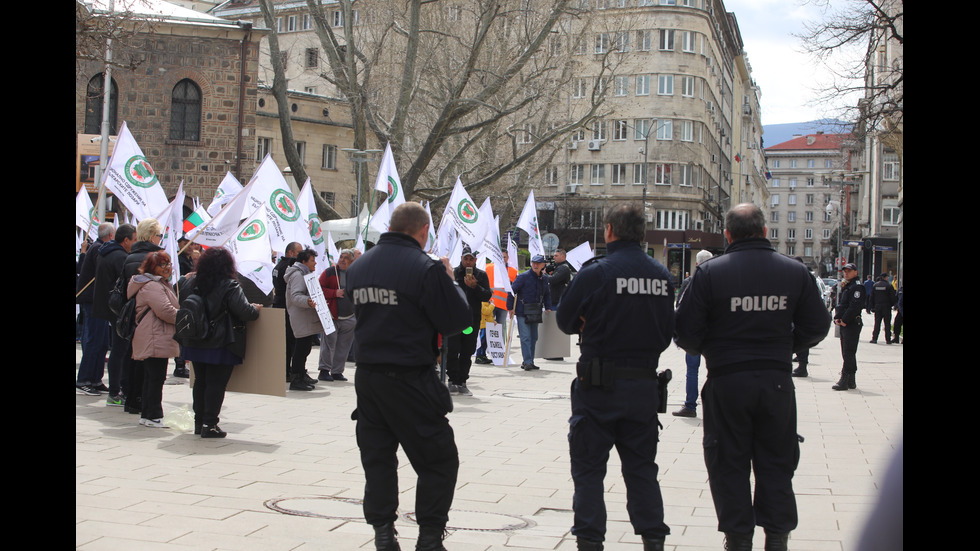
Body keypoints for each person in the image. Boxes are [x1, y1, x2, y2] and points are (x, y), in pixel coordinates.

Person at [674, 203, 831, 551]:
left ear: (728, 235)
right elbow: (818, 325)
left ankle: (738, 539)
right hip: (776, 382)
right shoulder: (794, 271)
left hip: (727, 381)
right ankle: (777, 539)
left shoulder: (710, 273)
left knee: (728, 463)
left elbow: (685, 332)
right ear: (764, 232)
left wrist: (714, 349)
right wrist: (787, 346)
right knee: (776, 462)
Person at [345, 202, 471, 551]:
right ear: (423, 230)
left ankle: (384, 534)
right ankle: (429, 538)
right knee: (439, 460)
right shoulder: (426, 268)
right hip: (411, 377)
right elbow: (457, 320)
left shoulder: (359, 266)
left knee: (379, 459)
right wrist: (450, 281)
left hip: (369, 378)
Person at [556, 203, 676, 551]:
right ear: (641, 234)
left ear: (609, 230)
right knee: (642, 470)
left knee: (590, 471)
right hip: (642, 387)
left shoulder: (597, 272)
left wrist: (586, 322)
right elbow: (668, 333)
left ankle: (590, 542)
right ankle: (654, 541)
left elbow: (565, 321)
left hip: (598, 388)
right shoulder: (661, 275)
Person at [177, 247, 261, 437]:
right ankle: (210, 424)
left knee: (200, 381)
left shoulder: (190, 282)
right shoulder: (230, 284)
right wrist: (255, 309)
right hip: (220, 341)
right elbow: (245, 312)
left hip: (195, 338)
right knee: (216, 383)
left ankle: (199, 423)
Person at [127, 251, 180, 428]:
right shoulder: (153, 286)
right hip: (154, 336)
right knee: (155, 377)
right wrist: (184, 317)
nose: (167, 268)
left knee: (152, 377)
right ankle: (153, 415)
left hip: (155, 335)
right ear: (152, 267)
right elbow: (165, 311)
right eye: (162, 265)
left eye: (168, 264)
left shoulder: (157, 284)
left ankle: (148, 414)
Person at [120, 218, 166, 415]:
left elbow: (123, 288)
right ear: (151, 235)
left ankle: (131, 398)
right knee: (151, 367)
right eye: (159, 235)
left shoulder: (129, 257)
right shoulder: (154, 257)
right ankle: (145, 405)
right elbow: (161, 290)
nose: (160, 238)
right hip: (150, 314)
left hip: (132, 314)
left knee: (133, 358)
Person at [92, 224, 137, 404]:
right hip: (118, 310)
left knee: (118, 350)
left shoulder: (106, 251)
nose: (134, 244)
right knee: (119, 351)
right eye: (134, 240)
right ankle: (115, 391)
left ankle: (116, 389)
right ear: (125, 240)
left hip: (108, 308)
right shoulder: (119, 257)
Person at [75, 222, 116, 396]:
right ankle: (84, 379)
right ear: (110, 236)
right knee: (93, 341)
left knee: (103, 342)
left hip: (98, 301)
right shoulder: (99, 249)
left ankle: (96, 378)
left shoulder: (99, 247)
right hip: (93, 300)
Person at [446, 245, 492, 395]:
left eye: (471, 259)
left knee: (467, 351)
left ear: (475, 260)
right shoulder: (453, 273)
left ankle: (462, 381)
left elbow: (487, 296)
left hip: (472, 320)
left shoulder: (481, 275)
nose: (468, 262)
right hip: (454, 320)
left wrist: (475, 286)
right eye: (465, 258)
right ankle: (452, 380)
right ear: (461, 259)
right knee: (452, 350)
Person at [673, 249, 713, 418]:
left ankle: (690, 406)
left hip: (694, 335)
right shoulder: (718, 280)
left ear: (696, 263)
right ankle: (713, 407)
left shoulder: (689, 281)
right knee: (714, 371)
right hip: (713, 335)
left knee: (692, 370)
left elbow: (679, 306)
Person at [285, 248, 322, 391]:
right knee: (301, 348)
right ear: (304, 262)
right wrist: (308, 301)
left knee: (305, 347)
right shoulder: (298, 275)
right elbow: (295, 296)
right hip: (301, 317)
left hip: (306, 316)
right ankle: (296, 379)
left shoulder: (305, 274)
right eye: (312, 260)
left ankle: (301, 374)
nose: (315, 263)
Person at [507, 254, 553, 371]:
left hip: (536, 311)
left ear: (543, 265)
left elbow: (547, 294)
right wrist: (510, 308)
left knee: (534, 337)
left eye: (538, 263)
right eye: (533, 263)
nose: (535, 265)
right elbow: (512, 291)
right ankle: (527, 361)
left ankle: (529, 361)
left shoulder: (544, 278)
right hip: (523, 311)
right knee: (525, 337)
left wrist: (548, 307)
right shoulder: (523, 277)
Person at [317, 249, 356, 382]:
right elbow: (318, 289)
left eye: (346, 258)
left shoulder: (355, 274)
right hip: (332, 315)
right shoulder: (329, 272)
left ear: (352, 261)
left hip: (350, 317)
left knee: (343, 347)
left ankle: (337, 371)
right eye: (341, 257)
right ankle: (324, 370)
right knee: (328, 345)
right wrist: (335, 293)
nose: (342, 260)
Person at [273, 242, 302, 381]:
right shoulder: (287, 267)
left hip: (280, 304)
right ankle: (286, 370)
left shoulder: (278, 266)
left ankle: (286, 369)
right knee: (289, 341)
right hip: (285, 306)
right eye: (299, 252)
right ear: (290, 253)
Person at [833, 263, 864, 391]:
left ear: (855, 272)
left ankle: (845, 379)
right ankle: (851, 380)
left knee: (848, 353)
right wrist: (837, 318)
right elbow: (842, 304)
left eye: (849, 271)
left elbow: (855, 306)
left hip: (851, 323)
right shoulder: (848, 286)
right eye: (845, 271)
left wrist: (844, 320)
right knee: (847, 353)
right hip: (846, 323)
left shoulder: (857, 287)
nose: (846, 273)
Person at [870, 273, 897, 344]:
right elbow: (892, 297)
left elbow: (872, 297)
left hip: (878, 306)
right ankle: (888, 340)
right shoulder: (889, 286)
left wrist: (872, 307)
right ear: (885, 278)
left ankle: (874, 338)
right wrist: (891, 305)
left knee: (877, 323)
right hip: (886, 307)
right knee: (887, 324)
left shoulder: (875, 285)